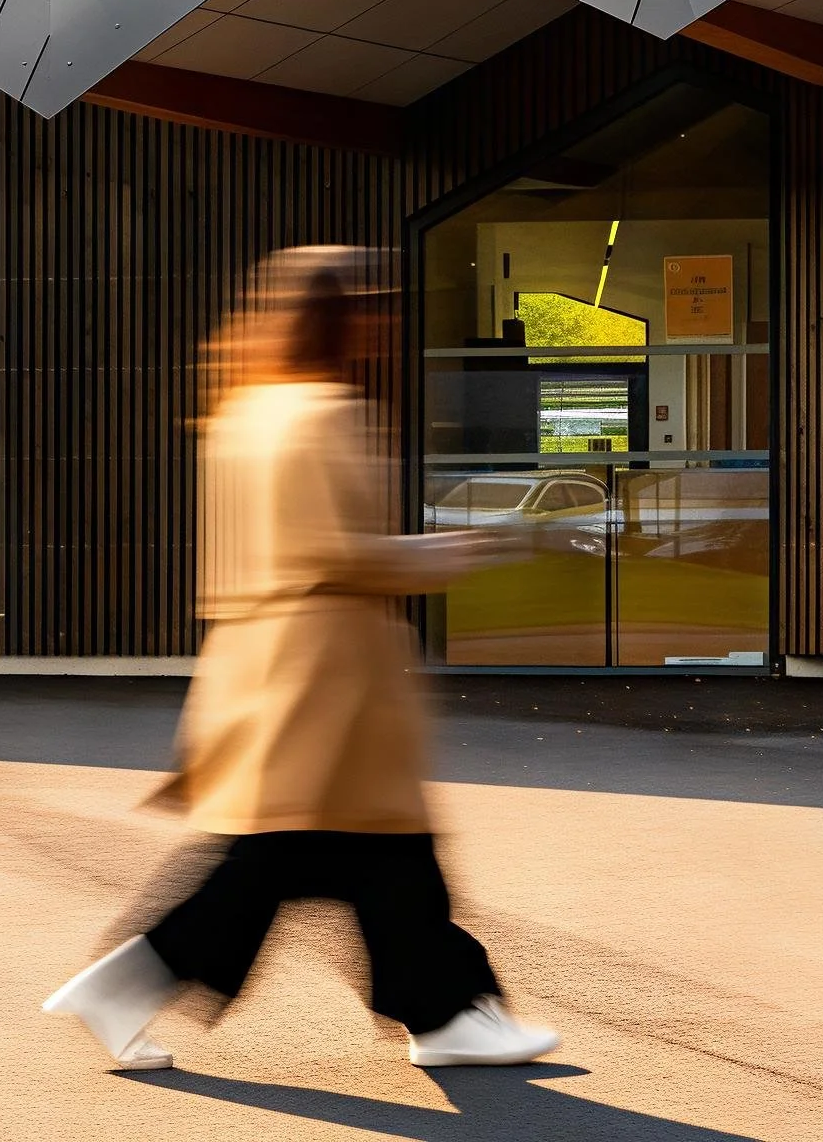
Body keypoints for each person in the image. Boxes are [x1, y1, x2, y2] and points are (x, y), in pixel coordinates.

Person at [44, 245, 558, 1072]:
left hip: (264, 663)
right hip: (331, 673)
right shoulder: (326, 412)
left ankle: (445, 1013)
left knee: (357, 858)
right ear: (344, 319)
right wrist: (458, 550)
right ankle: (443, 1014)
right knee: (318, 856)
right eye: (375, 309)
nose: (385, 325)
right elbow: (338, 552)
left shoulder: (242, 413)